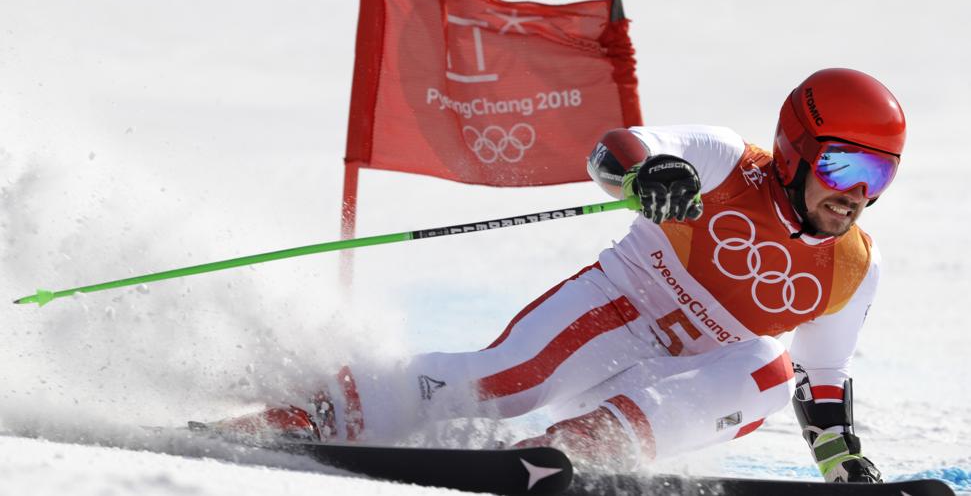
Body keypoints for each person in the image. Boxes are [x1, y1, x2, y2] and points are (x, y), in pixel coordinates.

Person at [206, 68, 903, 483]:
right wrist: (649, 173)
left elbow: (823, 379)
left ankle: (567, 454)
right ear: (793, 151)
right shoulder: (725, 161)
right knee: (508, 384)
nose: (855, 194)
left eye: (878, 175)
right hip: (618, 309)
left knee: (768, 369)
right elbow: (619, 148)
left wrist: (841, 463)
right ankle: (313, 413)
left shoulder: (851, 266)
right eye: (843, 166)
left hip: (679, 378)